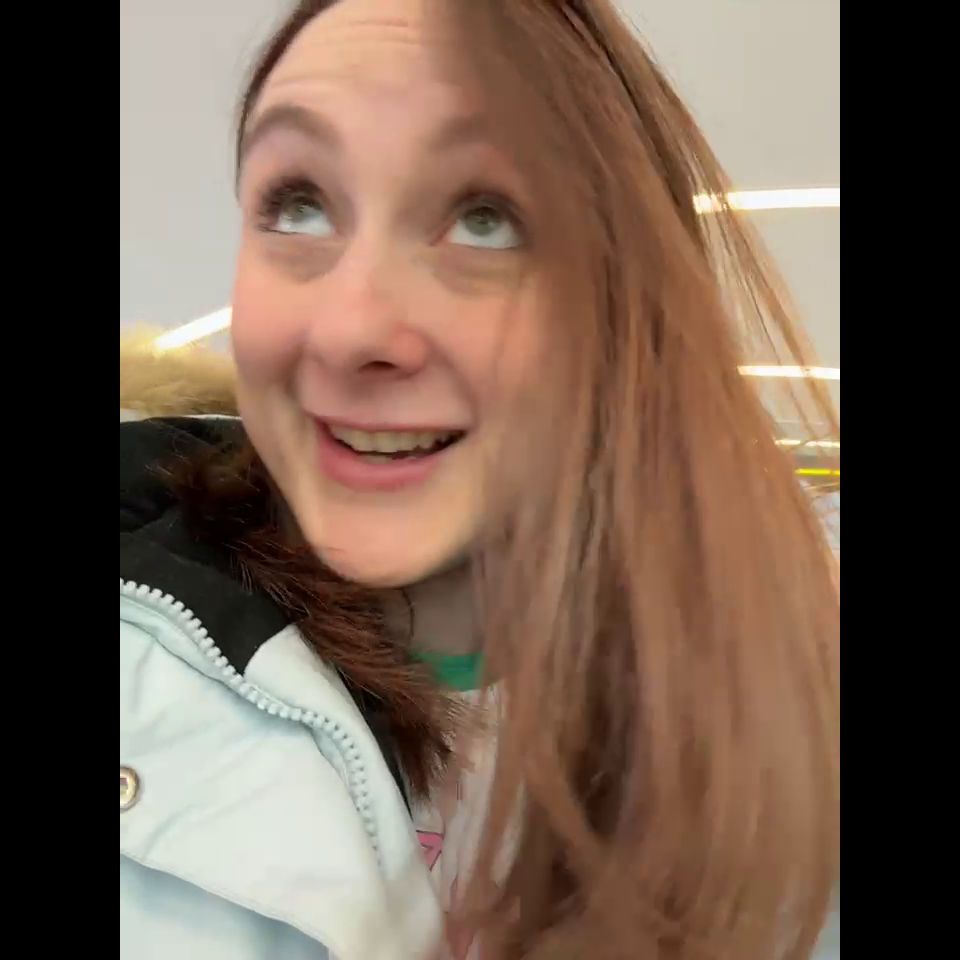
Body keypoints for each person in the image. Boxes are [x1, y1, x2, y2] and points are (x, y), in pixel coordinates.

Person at [119, 2, 840, 958]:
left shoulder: (801, 717)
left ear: (629, 306)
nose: (350, 330)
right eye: (298, 204)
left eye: (485, 218)